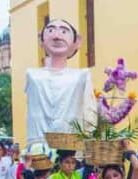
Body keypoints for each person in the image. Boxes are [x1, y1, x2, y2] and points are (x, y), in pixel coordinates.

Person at [25, 18, 95, 159]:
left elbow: (90, 112)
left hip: (71, 148)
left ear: (77, 41)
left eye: (64, 31)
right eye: (51, 30)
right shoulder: (32, 74)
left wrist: (90, 140)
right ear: (41, 39)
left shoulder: (82, 75)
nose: (57, 36)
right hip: (38, 146)